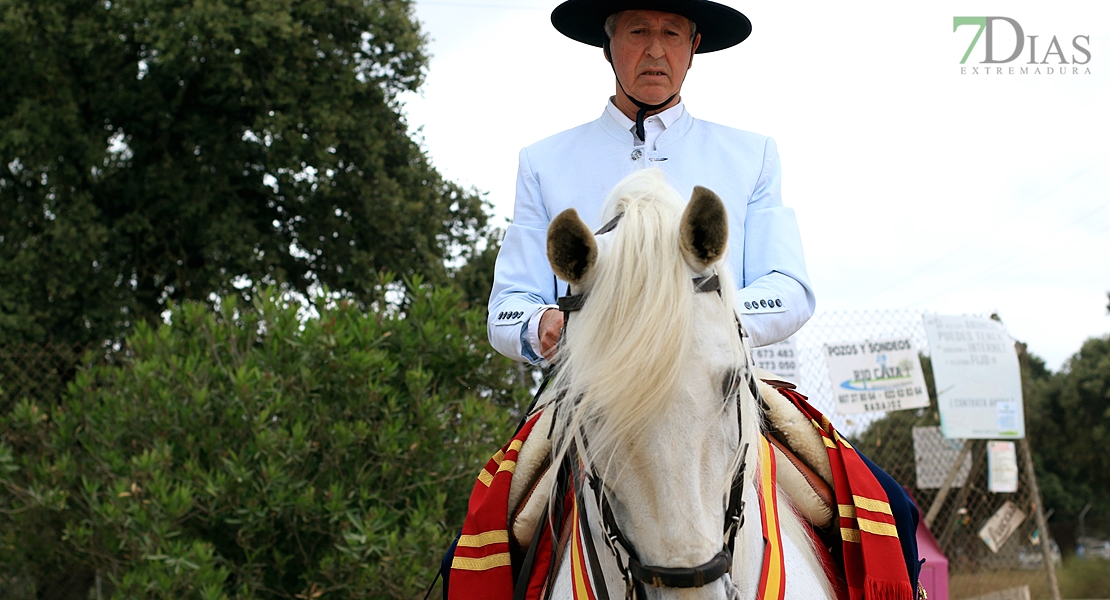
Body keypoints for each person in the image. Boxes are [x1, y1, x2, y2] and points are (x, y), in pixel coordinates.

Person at [487, 0, 816, 366]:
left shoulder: (753, 156)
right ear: (607, 45)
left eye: (671, 33)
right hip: (587, 384)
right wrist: (542, 323)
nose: (656, 50)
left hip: (719, 379)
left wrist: (705, 318)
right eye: (639, 31)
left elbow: (788, 288)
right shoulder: (542, 162)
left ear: (692, 49)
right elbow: (508, 305)